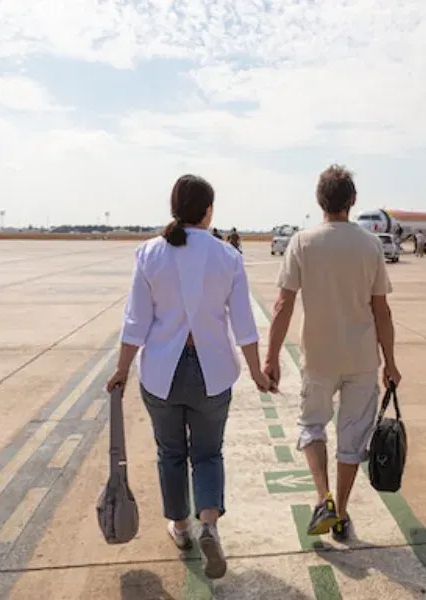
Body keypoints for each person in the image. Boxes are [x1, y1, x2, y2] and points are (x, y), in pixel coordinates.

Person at [105, 173, 273, 580]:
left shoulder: (149, 254)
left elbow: (135, 321)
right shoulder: (228, 256)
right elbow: (245, 325)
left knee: (171, 453)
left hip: (162, 371)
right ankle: (210, 525)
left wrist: (123, 369)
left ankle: (181, 528)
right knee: (208, 453)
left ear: (174, 208)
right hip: (212, 371)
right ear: (209, 211)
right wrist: (257, 372)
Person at [264, 164, 401, 543]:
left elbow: (282, 305)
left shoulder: (302, 243)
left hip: (319, 358)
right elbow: (381, 311)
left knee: (311, 427)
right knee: (352, 439)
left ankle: (321, 497)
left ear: (318, 200)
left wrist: (271, 356)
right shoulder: (370, 245)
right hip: (361, 359)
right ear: (352, 201)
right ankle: (340, 513)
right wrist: (390, 362)